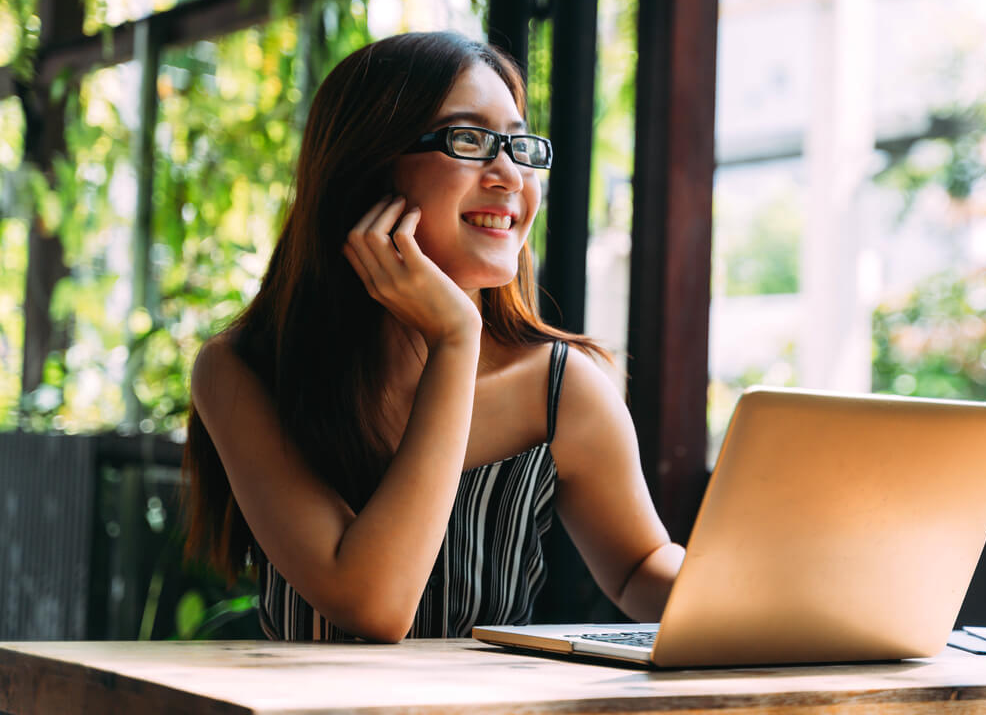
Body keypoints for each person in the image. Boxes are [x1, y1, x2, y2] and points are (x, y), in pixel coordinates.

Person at [183, 31, 685, 642]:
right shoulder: (244, 370)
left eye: (519, 145)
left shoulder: (560, 387)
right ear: (368, 168)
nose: (509, 175)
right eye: (468, 140)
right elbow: (372, 604)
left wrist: (759, 593)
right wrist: (455, 339)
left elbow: (638, 565)